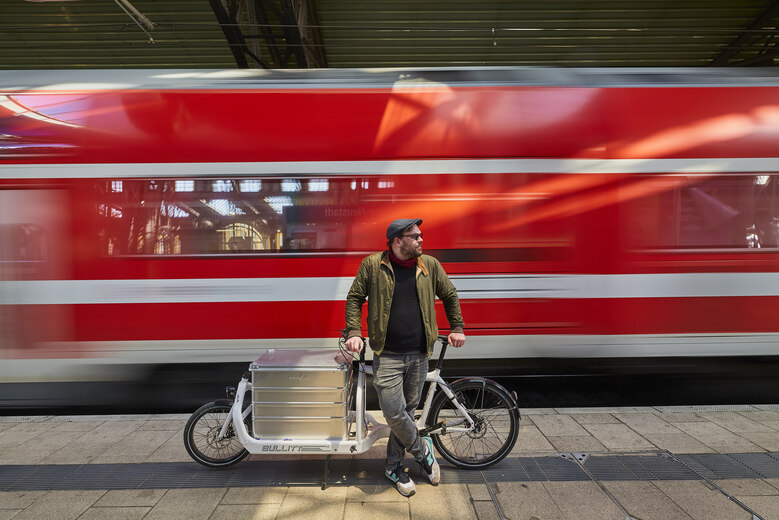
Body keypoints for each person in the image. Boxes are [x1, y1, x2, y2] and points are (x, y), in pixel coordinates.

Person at [344, 218, 466, 496]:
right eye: (415, 236)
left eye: (421, 235)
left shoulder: (430, 266)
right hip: (387, 354)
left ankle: (394, 466)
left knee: (407, 413)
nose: (421, 240)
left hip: (419, 354)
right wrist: (354, 331)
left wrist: (457, 326)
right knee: (394, 412)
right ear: (397, 241)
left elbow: (450, 294)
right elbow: (354, 298)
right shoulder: (373, 265)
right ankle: (423, 452)